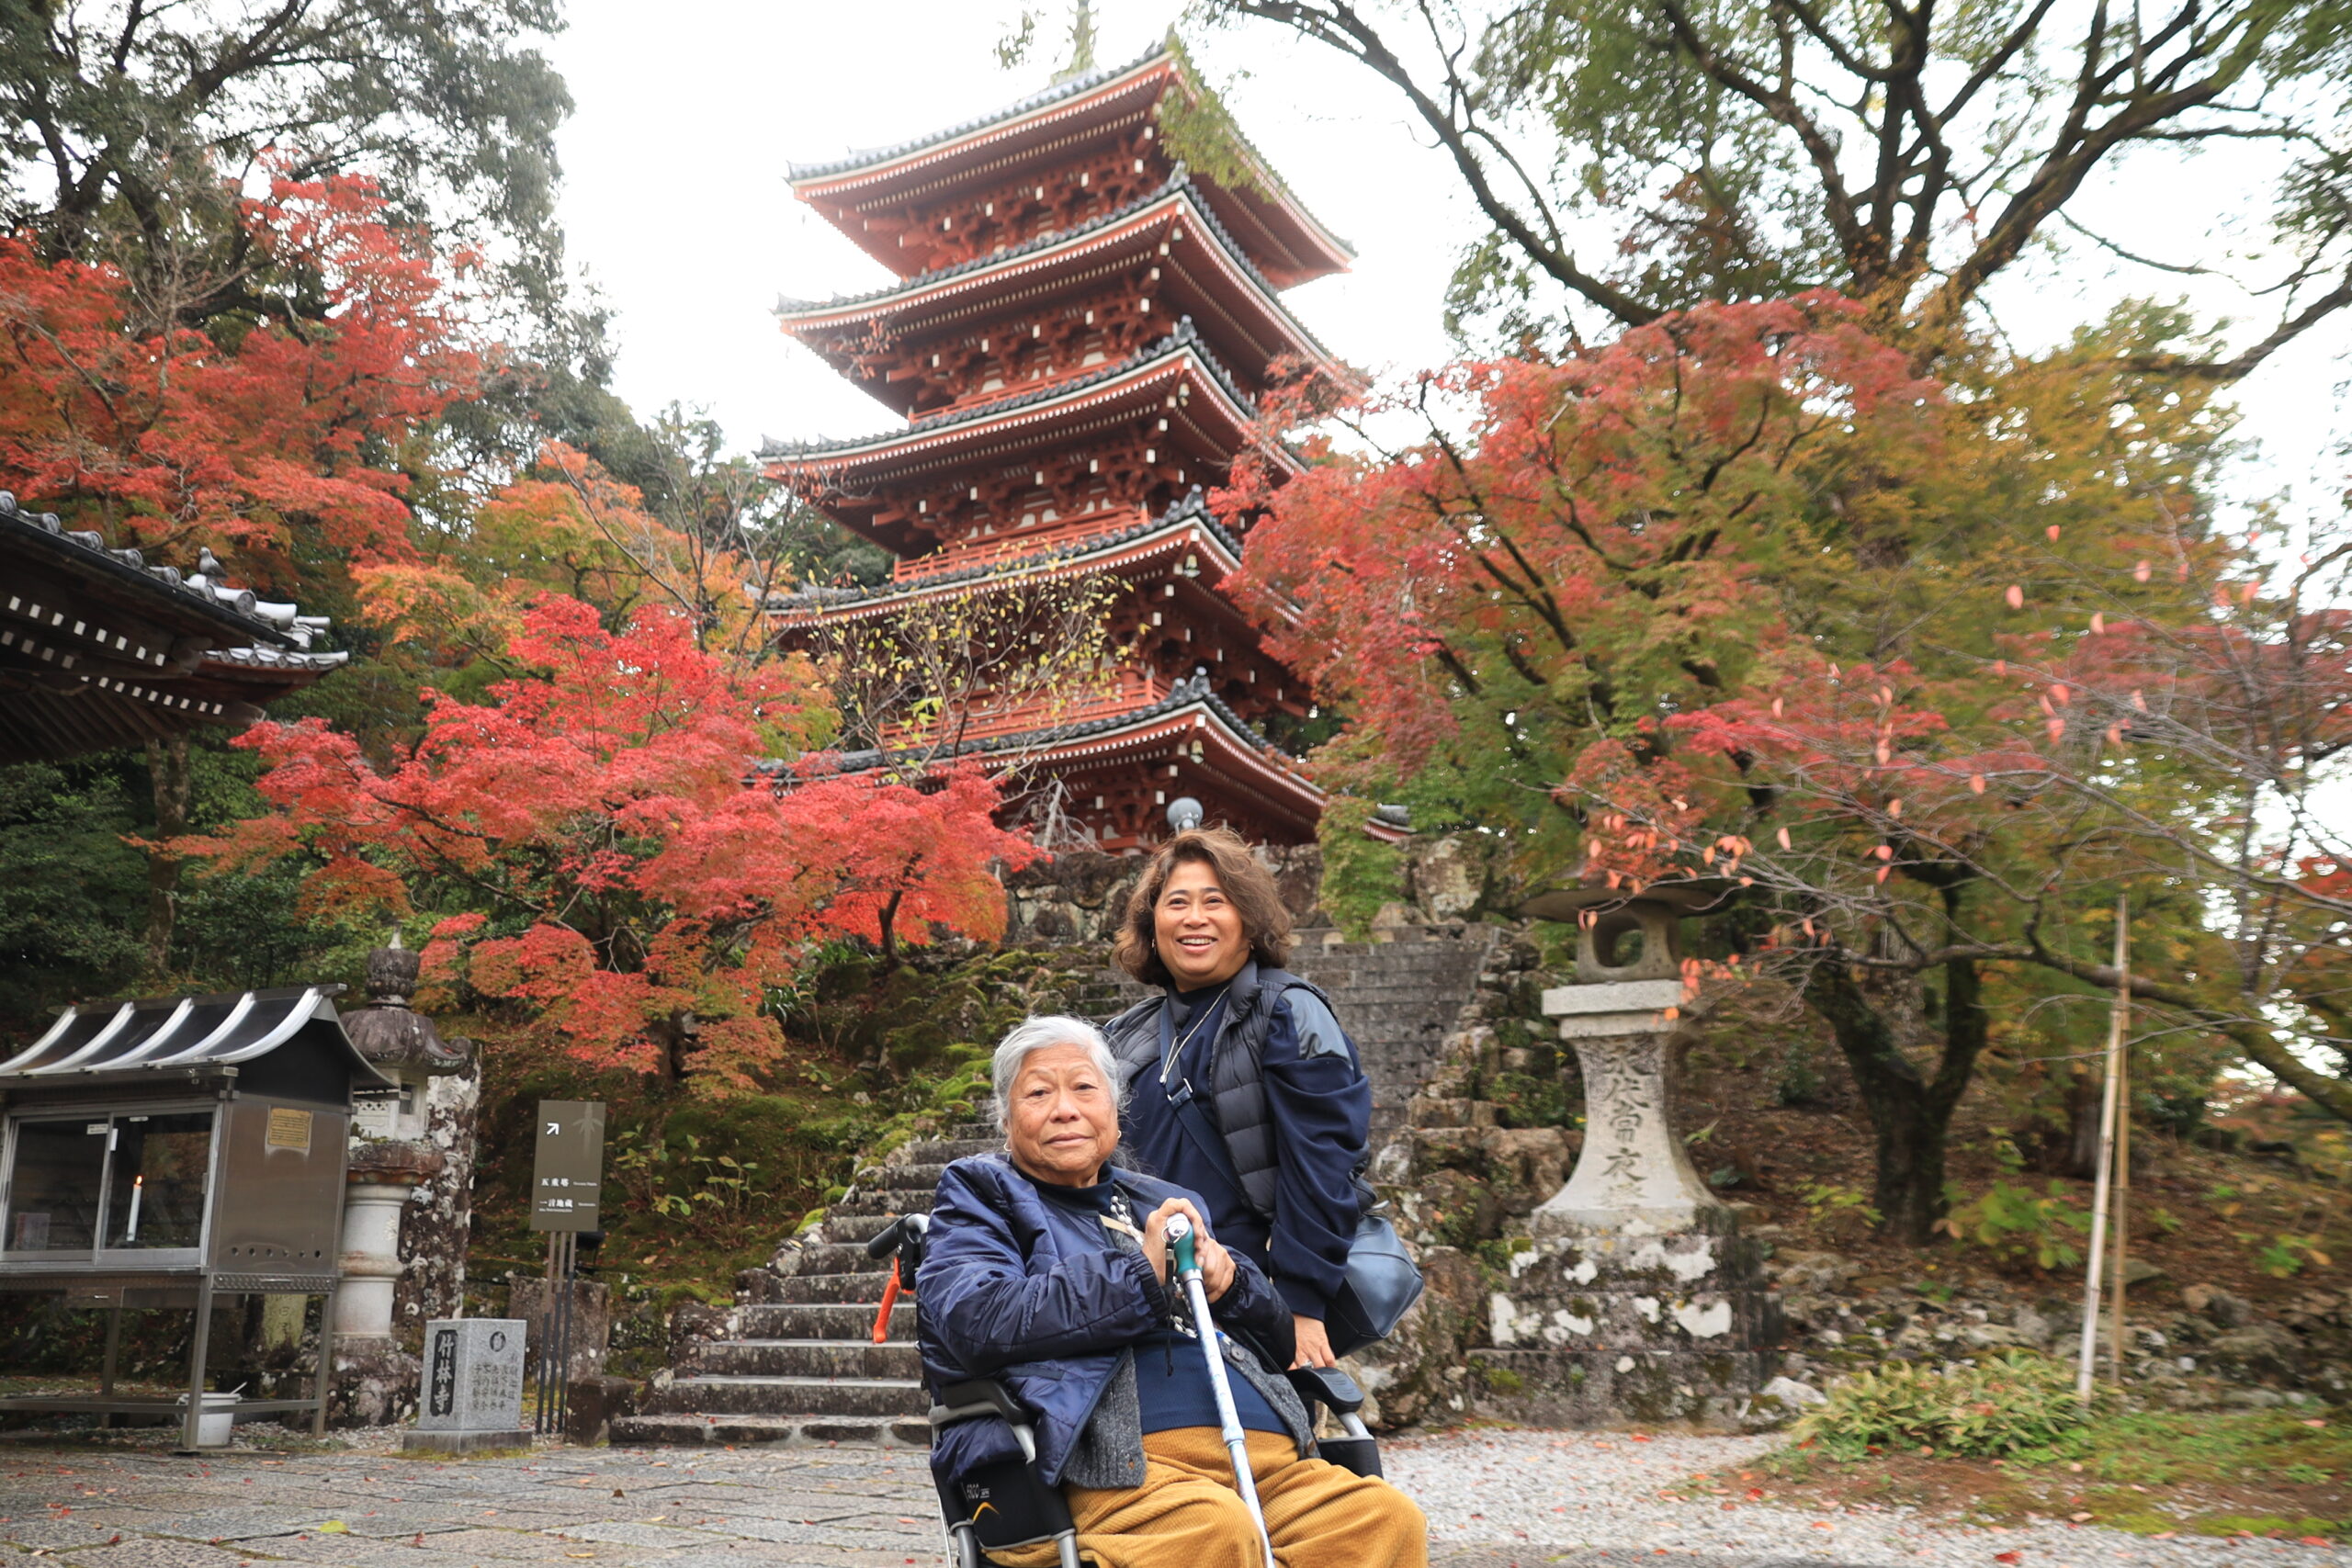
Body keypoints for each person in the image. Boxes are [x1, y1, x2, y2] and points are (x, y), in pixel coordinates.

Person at [917, 1016, 1425, 1568]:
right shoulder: (981, 1194)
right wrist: (1141, 1272)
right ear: (1006, 1117)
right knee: (1214, 1530)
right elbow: (977, 1318)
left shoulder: (1163, 1200)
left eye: (1085, 1088)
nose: (1065, 1109)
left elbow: (1278, 1345)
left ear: (1115, 1108)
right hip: (1115, 1464)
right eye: (1039, 1093)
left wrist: (1232, 1285)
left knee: (1383, 1519)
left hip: (1265, 1461)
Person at [1102, 827, 1371, 1370]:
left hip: (1249, 1297)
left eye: (1214, 902)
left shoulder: (1286, 1013)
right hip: (1139, 1293)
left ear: (1248, 921)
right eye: (1177, 902)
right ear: (1153, 926)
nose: (1194, 917)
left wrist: (1301, 1303)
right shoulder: (1125, 1034)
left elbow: (1323, 1164)